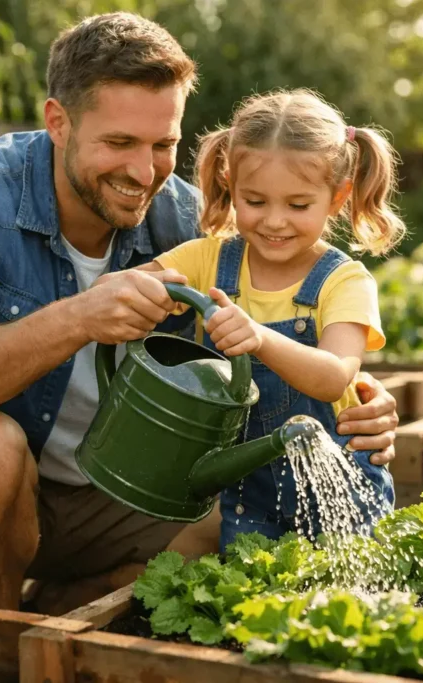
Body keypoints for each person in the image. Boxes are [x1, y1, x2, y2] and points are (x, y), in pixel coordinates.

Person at [0, 12, 401, 613]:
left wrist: (361, 397)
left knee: (234, 517)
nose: (144, 171)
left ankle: (57, 619)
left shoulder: (186, 220)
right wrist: (80, 316)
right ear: (59, 122)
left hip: (107, 486)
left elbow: (287, 306)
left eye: (163, 145)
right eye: (119, 143)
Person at [142, 90, 405, 552]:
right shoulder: (208, 260)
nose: (275, 221)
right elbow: (126, 290)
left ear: (337, 197)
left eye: (298, 205)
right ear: (230, 184)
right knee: (255, 598)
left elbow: (333, 376)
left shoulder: (342, 280)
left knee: (344, 603)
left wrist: (258, 337)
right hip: (247, 493)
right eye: (255, 201)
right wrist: (136, 291)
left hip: (339, 482)